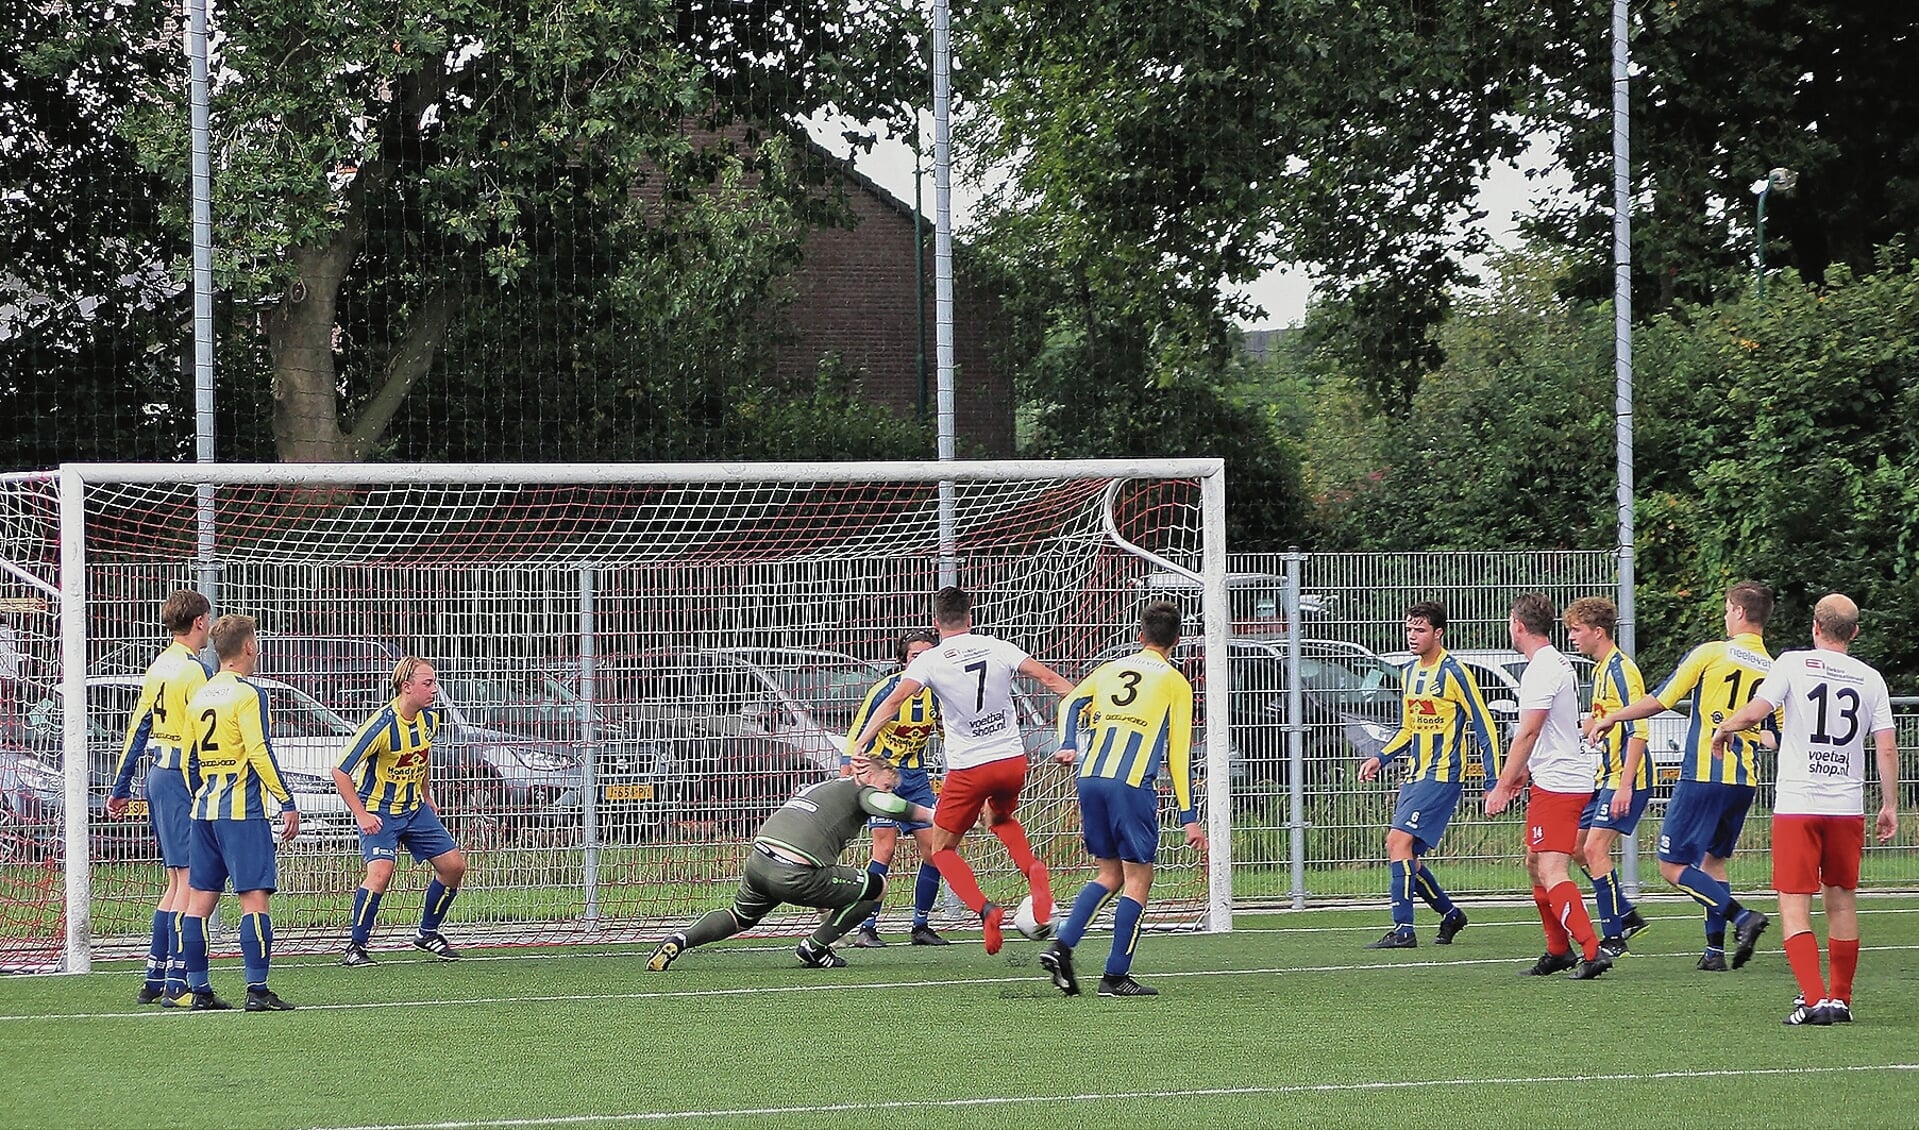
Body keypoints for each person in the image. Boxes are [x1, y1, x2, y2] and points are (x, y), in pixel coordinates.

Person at [849, 586, 1076, 954]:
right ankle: (1035, 871)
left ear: (937, 624)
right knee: (1001, 820)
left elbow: (893, 702)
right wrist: (1092, 707)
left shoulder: (930, 660)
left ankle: (986, 910)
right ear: (971, 618)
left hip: (969, 768)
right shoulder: (999, 647)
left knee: (941, 850)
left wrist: (861, 742)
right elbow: (1050, 680)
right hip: (1011, 762)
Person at [1710, 594, 1899, 1026]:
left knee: (1795, 904)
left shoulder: (1793, 663)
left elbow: (1759, 709)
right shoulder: (1871, 679)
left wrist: (1725, 727)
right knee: (1842, 903)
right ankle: (1841, 1000)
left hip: (1799, 802)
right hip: (1846, 806)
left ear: (1815, 626)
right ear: (1854, 632)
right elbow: (1885, 746)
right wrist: (1889, 804)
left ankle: (1813, 1000)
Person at [1588, 580, 1776, 972]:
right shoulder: (1774, 668)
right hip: (1745, 780)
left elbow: (1661, 700)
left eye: (1727, 609)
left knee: (1671, 866)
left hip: (1705, 774)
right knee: (1714, 863)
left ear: (1739, 612)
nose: (1725, 616)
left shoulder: (1712, 653)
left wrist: (1613, 717)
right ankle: (1714, 953)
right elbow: (1774, 735)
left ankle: (1742, 918)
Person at [1040, 599, 1205, 998]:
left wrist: (1067, 744)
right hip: (1129, 785)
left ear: (1139, 635)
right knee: (1139, 877)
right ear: (1176, 641)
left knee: (1109, 874)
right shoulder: (1174, 682)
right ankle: (1115, 976)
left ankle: (1062, 946)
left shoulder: (1111, 668)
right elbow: (1178, 754)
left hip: (1091, 776)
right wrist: (1189, 815)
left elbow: (1071, 701)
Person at [645, 758, 935, 970]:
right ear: (868, 774)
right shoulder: (863, 790)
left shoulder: (828, 786)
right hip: (794, 872)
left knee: (739, 916)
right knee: (877, 888)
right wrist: (937, 816)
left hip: (759, 862)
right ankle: (815, 948)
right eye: (887, 785)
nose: (889, 792)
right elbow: (886, 806)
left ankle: (680, 939)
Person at [1356, 601, 1500, 949]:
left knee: (1396, 842)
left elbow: (1485, 726)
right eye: (1409, 629)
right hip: (1414, 774)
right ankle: (1451, 915)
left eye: (1420, 630)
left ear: (1438, 633)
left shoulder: (1454, 673)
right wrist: (1381, 757)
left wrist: (1493, 781)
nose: (1412, 635)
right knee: (1407, 856)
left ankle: (1404, 929)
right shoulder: (1408, 673)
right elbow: (1409, 728)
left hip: (1443, 774)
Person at [178, 614, 300, 1012]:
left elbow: (188, 759)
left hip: (204, 811)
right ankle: (257, 990)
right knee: (254, 900)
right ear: (248, 647)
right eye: (257, 642)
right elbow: (259, 751)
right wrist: (286, 800)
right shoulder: (248, 695)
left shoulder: (201, 695)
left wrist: (201, 791)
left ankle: (199, 990)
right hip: (242, 812)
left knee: (198, 903)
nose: (258, 648)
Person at [1486, 593, 1609, 979]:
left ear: (1519, 626)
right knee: (1535, 863)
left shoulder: (1541, 670)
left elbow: (1529, 731)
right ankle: (1559, 950)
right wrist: (1525, 772)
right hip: (1555, 776)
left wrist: (1503, 785)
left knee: (1553, 867)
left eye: (1510, 623)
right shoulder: (1554, 663)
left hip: (1559, 782)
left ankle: (1592, 951)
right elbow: (1550, 729)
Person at [105, 590, 211, 1006]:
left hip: (158, 776)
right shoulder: (194, 672)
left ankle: (154, 974)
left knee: (174, 880)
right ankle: (178, 981)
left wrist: (120, 784)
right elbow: (204, 736)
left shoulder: (159, 666)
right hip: (184, 778)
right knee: (190, 880)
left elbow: (139, 727)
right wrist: (204, 786)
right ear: (200, 622)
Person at [332, 656, 469, 966]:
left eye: (434, 682)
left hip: (415, 809)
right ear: (407, 688)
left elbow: (422, 757)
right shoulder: (380, 725)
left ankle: (427, 933)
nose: (435, 689)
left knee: (453, 867)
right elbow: (340, 772)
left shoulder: (430, 719)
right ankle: (355, 945)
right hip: (380, 811)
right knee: (380, 873)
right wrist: (361, 814)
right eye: (428, 683)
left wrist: (426, 793)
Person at [840, 629, 949, 948]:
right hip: (884, 779)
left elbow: (950, 735)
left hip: (915, 780)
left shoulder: (940, 694)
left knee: (935, 851)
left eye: (929, 654)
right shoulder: (885, 691)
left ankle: (921, 925)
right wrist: (849, 768)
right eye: (916, 655)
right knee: (884, 850)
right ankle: (867, 927)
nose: (923, 660)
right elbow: (857, 732)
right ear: (904, 660)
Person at [1563, 597, 1652, 958]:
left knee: (1595, 848)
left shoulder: (1622, 670)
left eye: (1576, 630)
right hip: (1606, 775)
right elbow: (1610, 718)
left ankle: (1613, 935)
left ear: (1597, 632)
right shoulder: (1600, 670)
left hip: (1625, 777)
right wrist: (1592, 726)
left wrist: (1626, 784)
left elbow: (1640, 730)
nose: (1571, 637)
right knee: (1575, 847)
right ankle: (1627, 915)